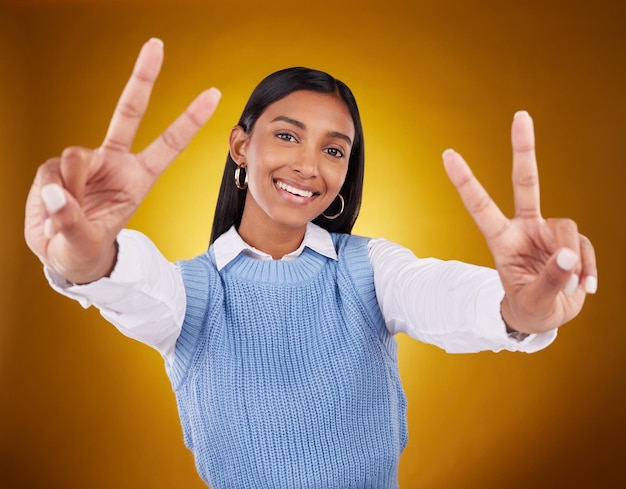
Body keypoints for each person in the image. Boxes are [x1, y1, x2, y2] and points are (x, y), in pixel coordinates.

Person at [24, 38, 597, 488]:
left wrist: (521, 306)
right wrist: (91, 252)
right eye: (287, 136)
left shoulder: (369, 271)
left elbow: (447, 295)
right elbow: (130, 284)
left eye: (333, 149)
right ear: (241, 147)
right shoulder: (190, 295)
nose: (308, 165)